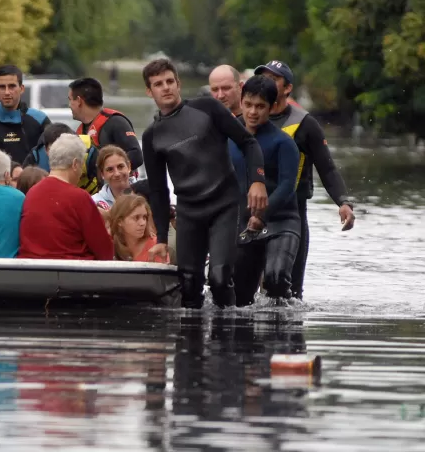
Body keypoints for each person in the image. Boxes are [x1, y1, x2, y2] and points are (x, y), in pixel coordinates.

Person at [141, 58, 268, 308]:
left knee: (219, 277)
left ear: (178, 84)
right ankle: (193, 344)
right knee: (188, 286)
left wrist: (257, 181)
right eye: (158, 84)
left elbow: (249, 143)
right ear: (149, 91)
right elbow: (158, 191)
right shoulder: (152, 136)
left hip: (224, 204)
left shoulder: (207, 109)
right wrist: (162, 240)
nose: (165, 88)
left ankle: (227, 338)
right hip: (189, 211)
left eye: (169, 81)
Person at [255, 60, 355, 300]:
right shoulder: (251, 117)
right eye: (263, 77)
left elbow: (327, 168)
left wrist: (343, 201)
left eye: (273, 79)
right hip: (252, 211)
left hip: (293, 214)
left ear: (287, 88)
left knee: (287, 289)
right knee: (249, 292)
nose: (266, 83)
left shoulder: (305, 124)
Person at [229, 76, 301, 305]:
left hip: (281, 222)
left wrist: (262, 216)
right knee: (238, 298)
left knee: (276, 279)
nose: (252, 112)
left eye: (260, 107)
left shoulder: (284, 143)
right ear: (240, 102)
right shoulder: (228, 138)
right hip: (244, 223)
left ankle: (284, 325)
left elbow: (288, 185)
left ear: (271, 108)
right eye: (248, 105)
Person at [18, 134, 113, 261]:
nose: (80, 173)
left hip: (32, 271)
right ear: (75, 164)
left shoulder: (31, 194)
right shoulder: (79, 197)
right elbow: (104, 252)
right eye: (81, 165)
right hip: (72, 273)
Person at [0, 65, 51, 164]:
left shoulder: (40, 119)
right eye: (2, 87)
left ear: (21, 88)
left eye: (12, 86)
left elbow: (55, 155)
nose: (7, 92)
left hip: (35, 179)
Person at [69, 77, 143, 172]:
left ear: (79, 101)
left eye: (70, 100)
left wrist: (109, 169)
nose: (69, 105)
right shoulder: (81, 130)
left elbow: (137, 156)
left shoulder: (116, 122)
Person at [23, 122, 100, 193]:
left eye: (64, 148)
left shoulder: (89, 154)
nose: (59, 153)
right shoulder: (36, 157)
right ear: (46, 150)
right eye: (54, 149)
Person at [109, 194, 172, 264]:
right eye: (136, 218)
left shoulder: (156, 245)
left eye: (144, 217)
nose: (143, 223)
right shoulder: (110, 244)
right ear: (119, 222)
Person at [92, 145, 137, 210]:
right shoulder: (94, 202)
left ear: (129, 166)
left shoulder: (146, 192)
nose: (117, 174)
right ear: (102, 174)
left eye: (120, 166)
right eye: (110, 169)